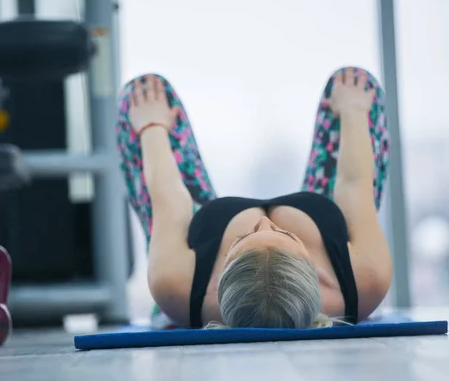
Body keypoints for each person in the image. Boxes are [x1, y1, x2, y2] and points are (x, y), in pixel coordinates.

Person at [116, 67, 393, 330]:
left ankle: (165, 273)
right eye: (285, 234)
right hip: (332, 222)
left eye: (242, 240)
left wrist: (152, 124)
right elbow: (355, 183)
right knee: (355, 82)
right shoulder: (365, 280)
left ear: (222, 276)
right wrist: (353, 109)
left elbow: (168, 197)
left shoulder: (177, 285)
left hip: (187, 253)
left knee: (143, 95)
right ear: (314, 271)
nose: (262, 224)